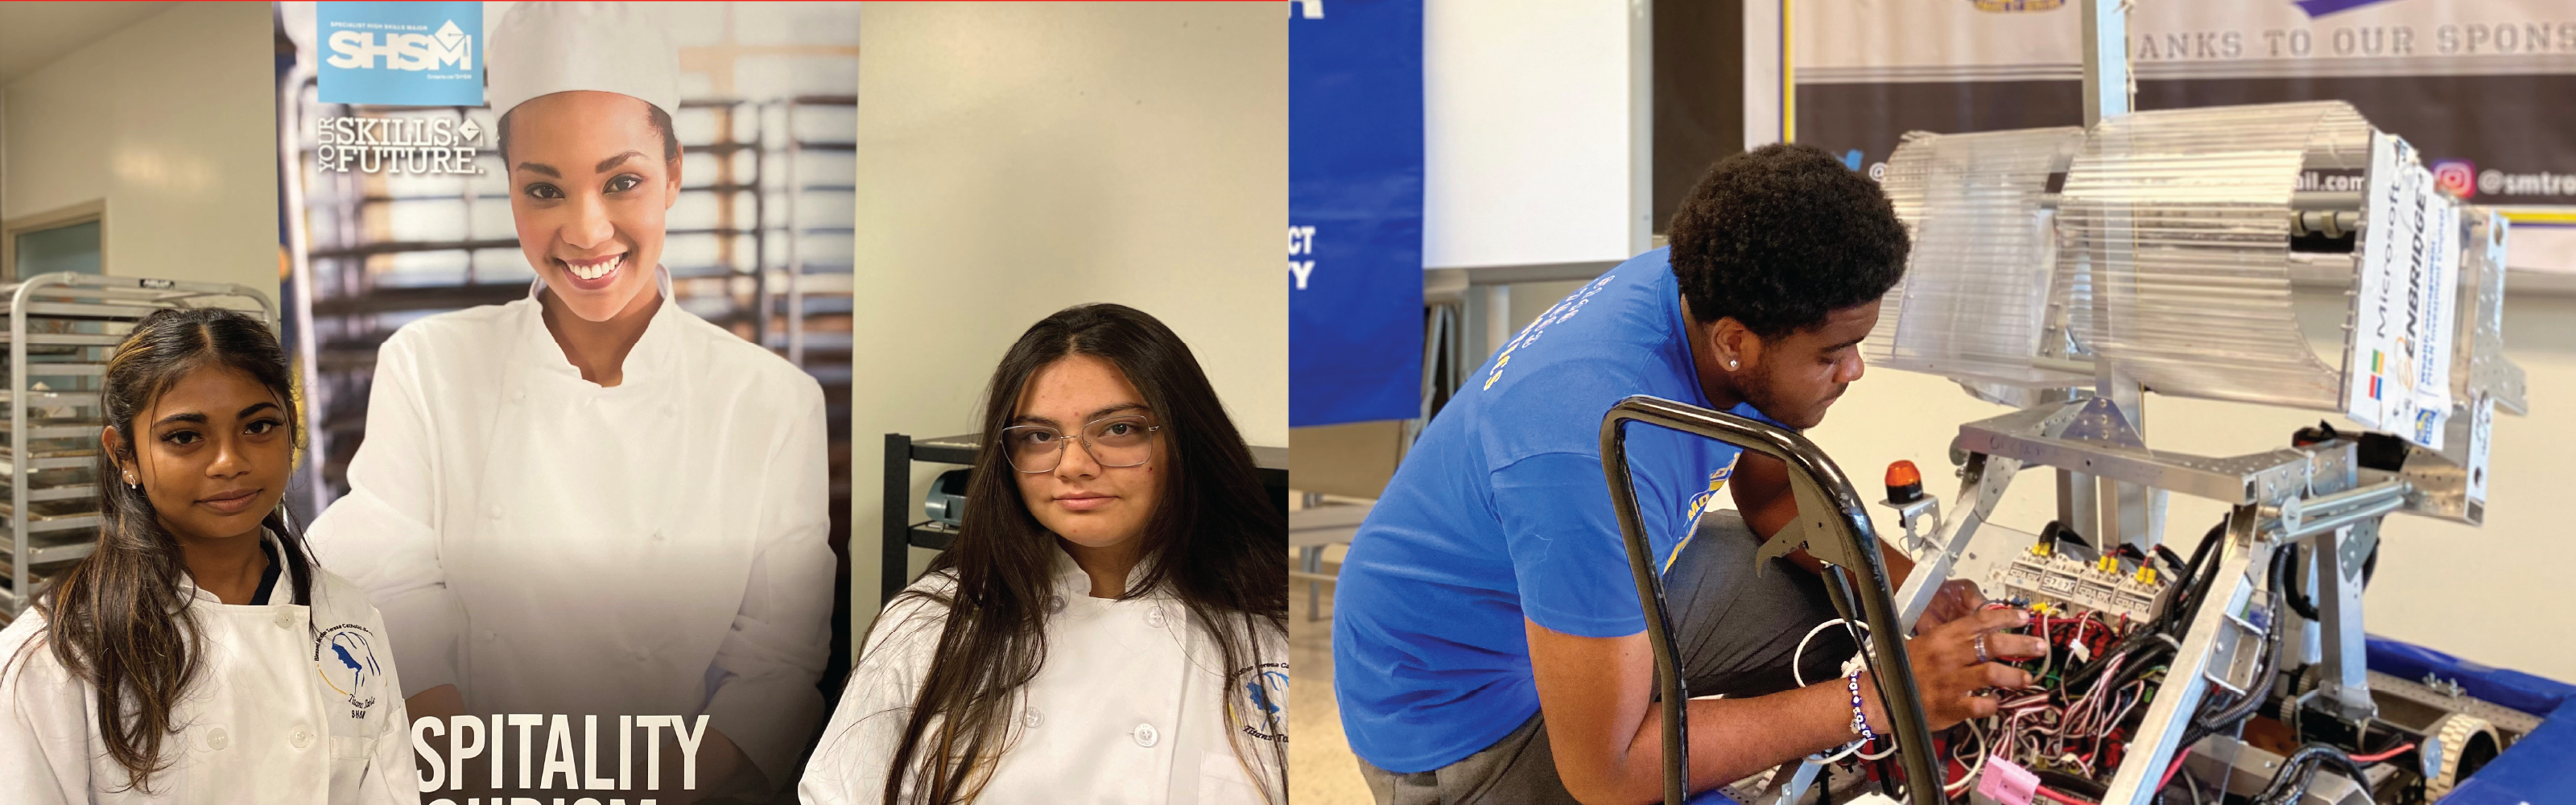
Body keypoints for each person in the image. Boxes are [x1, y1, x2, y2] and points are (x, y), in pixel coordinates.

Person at [1331, 143, 2039, 804]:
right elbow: (1606, 776)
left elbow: (1767, 500)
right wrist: (1882, 698)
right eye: (1833, 353)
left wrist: (1906, 595)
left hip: (1546, 605)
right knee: (1667, 754)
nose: (1853, 371)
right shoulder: (1586, 457)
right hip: (1459, 725)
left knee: (1833, 607)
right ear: (1736, 341)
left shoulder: (1712, 286)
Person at [305, 3, 831, 799]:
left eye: (622, 181)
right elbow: (389, 593)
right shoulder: (427, 366)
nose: (586, 232)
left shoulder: (773, 402)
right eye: (544, 189)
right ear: (509, 186)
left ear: (675, 172)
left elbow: (777, 661)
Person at [800, 303, 1288, 804]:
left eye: (1119, 429)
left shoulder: (1276, 630)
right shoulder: (930, 625)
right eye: (1039, 436)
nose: (1073, 465)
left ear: (1187, 440)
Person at [0, 308, 416, 804]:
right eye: (184, 437)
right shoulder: (57, 654)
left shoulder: (347, 617)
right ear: (124, 456)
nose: (230, 462)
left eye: (259, 426)